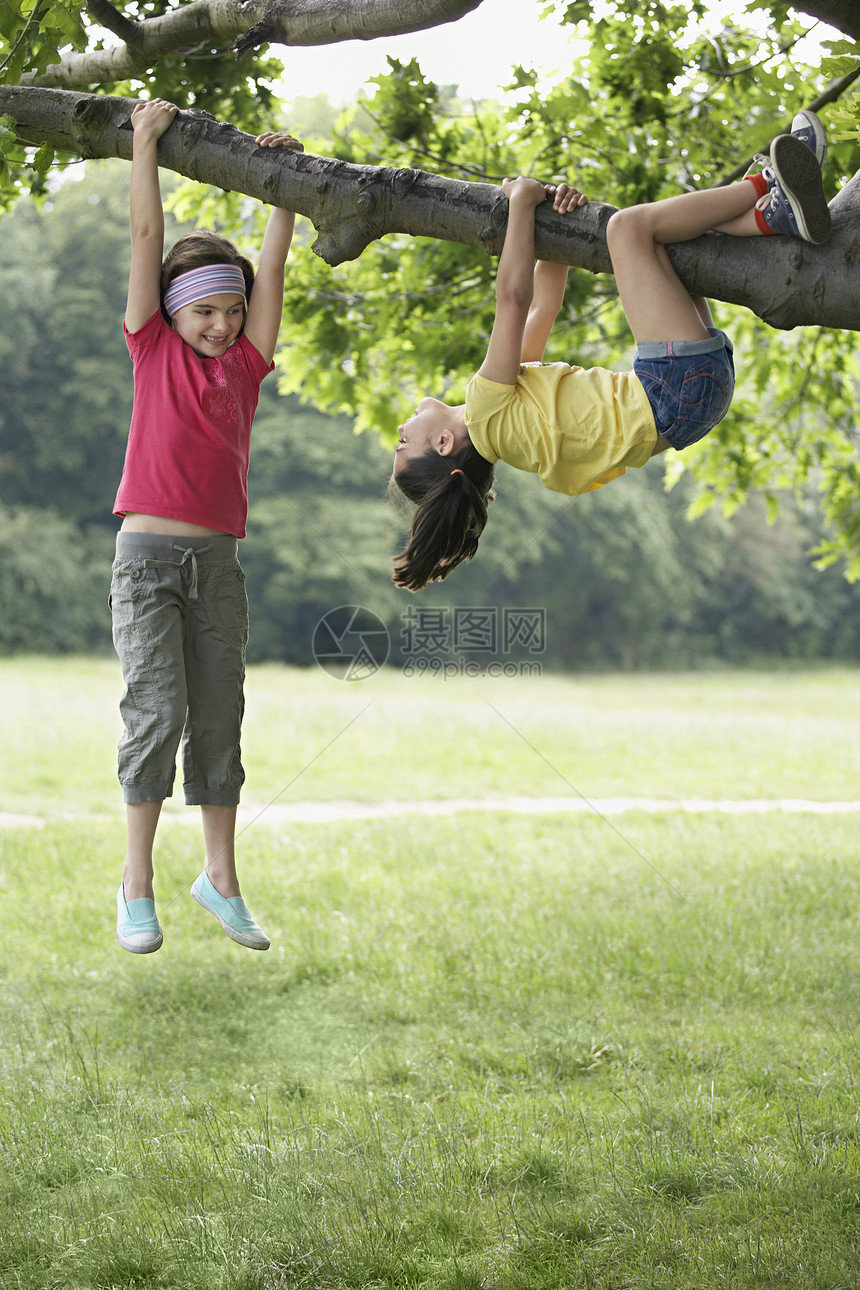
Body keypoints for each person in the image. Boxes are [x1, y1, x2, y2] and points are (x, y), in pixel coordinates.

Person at [389, 112, 831, 592]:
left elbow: (544, 308)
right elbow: (514, 300)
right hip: (669, 387)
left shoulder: (514, 433)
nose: (399, 430)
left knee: (675, 243)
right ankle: (765, 181)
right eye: (402, 443)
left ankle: (773, 218)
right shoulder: (485, 407)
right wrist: (520, 203)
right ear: (444, 445)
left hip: (695, 404)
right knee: (627, 229)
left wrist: (555, 221)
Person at [113, 98, 302, 954]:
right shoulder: (150, 344)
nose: (222, 324)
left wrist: (283, 184)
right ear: (173, 312)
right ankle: (136, 882)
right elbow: (147, 240)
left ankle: (219, 876)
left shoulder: (248, 366)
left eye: (231, 310)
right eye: (206, 313)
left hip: (218, 566)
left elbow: (274, 265)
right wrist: (145, 144)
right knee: (158, 712)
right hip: (148, 560)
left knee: (219, 715)